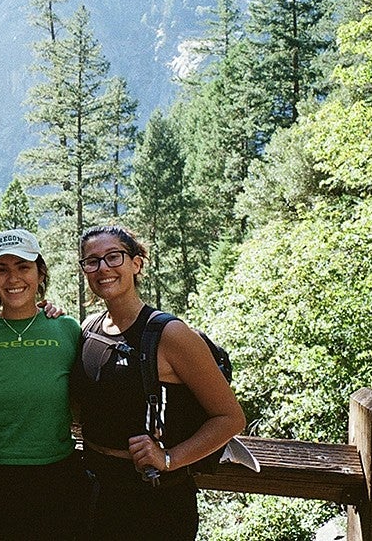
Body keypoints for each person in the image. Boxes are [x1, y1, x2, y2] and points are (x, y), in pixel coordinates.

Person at [74, 225, 245, 541]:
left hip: (155, 501)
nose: (103, 268)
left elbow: (230, 418)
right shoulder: (89, 328)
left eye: (114, 257)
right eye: (92, 261)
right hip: (96, 492)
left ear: (136, 264)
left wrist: (169, 458)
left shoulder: (169, 334)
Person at [0, 228, 83, 541]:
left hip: (56, 477)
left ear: (40, 272)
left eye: (23, 267)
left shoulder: (66, 329)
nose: (13, 278)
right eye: (1, 270)